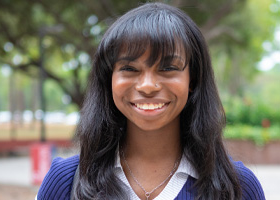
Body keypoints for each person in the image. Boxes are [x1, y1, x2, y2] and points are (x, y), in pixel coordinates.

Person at [36, 2, 265, 200]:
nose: (147, 86)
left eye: (168, 68)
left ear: (192, 80)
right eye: (129, 68)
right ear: (109, 79)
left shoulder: (238, 187)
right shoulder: (65, 182)